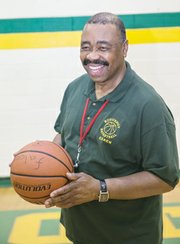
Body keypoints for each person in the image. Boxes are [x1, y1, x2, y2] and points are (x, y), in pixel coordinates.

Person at [45, 12, 179, 244]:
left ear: (124, 48)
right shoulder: (74, 89)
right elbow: (63, 136)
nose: (92, 56)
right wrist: (42, 165)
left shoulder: (148, 105)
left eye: (103, 48)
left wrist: (100, 188)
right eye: (85, 47)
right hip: (80, 229)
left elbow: (165, 178)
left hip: (128, 236)